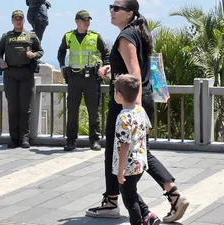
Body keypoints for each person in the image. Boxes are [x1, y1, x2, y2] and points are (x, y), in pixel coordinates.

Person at [85, 0, 189, 223]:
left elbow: (135, 74)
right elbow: (131, 67)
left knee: (119, 151)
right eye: (110, 7)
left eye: (116, 8)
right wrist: (111, 68)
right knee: (141, 151)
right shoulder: (135, 32)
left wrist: (134, 112)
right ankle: (172, 195)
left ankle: (116, 202)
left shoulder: (125, 36)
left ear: (129, 13)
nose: (111, 11)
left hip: (128, 104)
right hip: (137, 101)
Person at [57, 10, 110, 151]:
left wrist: (105, 66)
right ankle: (71, 141)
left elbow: (106, 53)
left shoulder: (95, 36)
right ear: (77, 21)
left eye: (88, 20)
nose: (87, 22)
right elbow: (61, 52)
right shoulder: (69, 36)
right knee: (72, 110)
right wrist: (62, 66)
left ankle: (94, 140)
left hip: (91, 78)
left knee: (93, 110)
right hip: (74, 78)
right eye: (84, 20)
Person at [112, 74, 160, 225]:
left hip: (128, 165)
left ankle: (138, 221)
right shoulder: (140, 110)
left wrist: (121, 170)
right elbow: (146, 130)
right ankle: (148, 215)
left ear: (119, 95)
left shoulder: (123, 117)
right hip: (140, 161)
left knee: (129, 199)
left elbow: (124, 145)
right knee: (130, 192)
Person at [0, 10, 44, 148]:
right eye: (16, 19)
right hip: (10, 73)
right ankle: (14, 138)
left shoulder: (31, 36)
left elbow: (40, 51)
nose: (18, 21)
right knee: (13, 107)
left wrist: (33, 54)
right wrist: (0, 61)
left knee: (25, 108)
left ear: (24, 21)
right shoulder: (6, 36)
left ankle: (25, 138)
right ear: (12, 21)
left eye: (20, 19)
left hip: (26, 73)